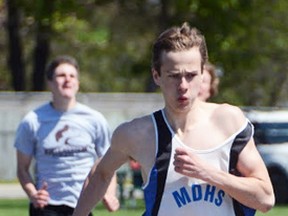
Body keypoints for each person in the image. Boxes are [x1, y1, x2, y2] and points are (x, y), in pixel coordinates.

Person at [72, 23, 275, 216]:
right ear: (156, 75)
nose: (183, 85)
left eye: (191, 75)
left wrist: (208, 173)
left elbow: (265, 198)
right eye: (173, 76)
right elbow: (100, 174)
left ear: (203, 74)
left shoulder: (228, 121)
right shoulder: (137, 134)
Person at [14, 55, 119, 216]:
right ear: (49, 82)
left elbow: (109, 163)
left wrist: (110, 194)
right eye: (61, 75)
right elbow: (22, 169)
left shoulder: (94, 119)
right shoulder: (32, 120)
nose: (67, 80)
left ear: (77, 83)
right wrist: (33, 194)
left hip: (83, 205)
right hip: (46, 206)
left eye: (72, 76)